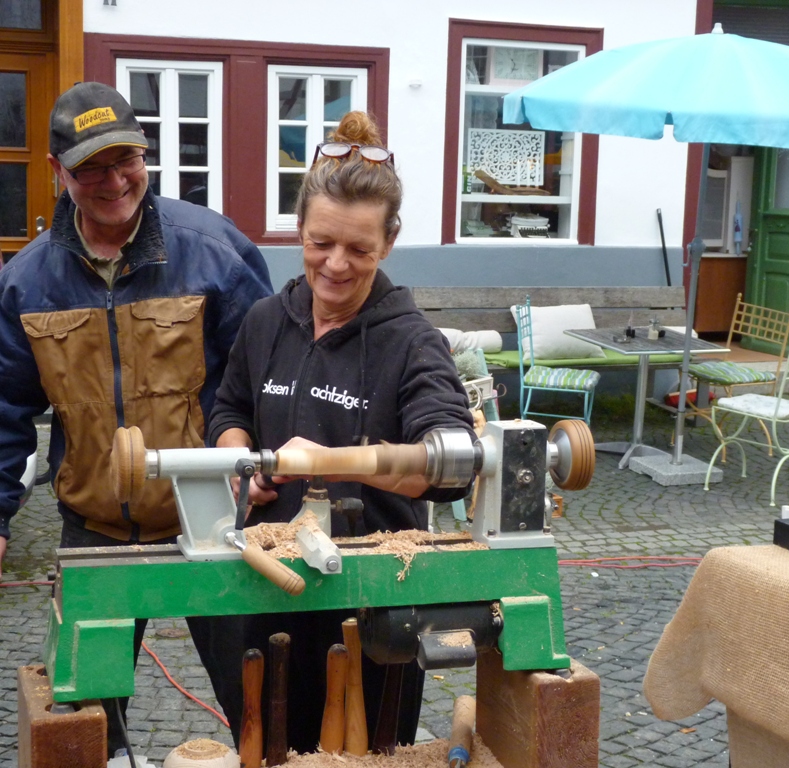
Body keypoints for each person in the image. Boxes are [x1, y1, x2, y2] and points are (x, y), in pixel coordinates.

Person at [0, 82, 273, 754]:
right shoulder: (27, 282)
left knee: (262, 702)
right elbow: (4, 408)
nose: (113, 180)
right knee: (88, 720)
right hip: (93, 525)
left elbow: (267, 377)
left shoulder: (214, 250)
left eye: (125, 158)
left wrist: (266, 472)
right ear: (59, 171)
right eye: (91, 165)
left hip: (213, 517)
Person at [208, 111, 475, 754]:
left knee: (363, 755)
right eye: (321, 241)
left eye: (359, 248)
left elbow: (449, 460)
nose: (336, 264)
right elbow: (229, 408)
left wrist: (329, 461)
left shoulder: (414, 343)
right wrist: (239, 461)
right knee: (267, 746)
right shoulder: (267, 321)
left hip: (373, 605)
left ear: (389, 242)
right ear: (298, 228)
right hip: (269, 589)